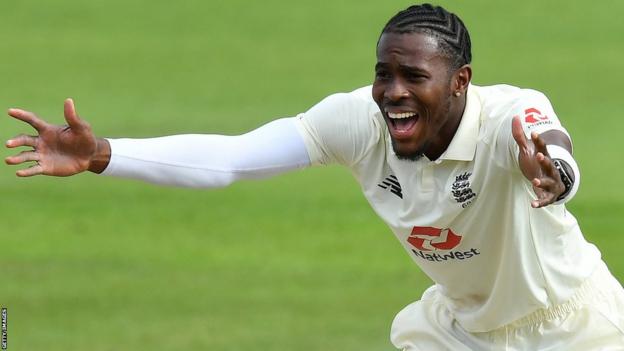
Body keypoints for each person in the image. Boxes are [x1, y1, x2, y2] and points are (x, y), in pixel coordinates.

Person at [5, 3, 624, 350]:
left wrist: (554, 175)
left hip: (573, 328)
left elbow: (554, 149)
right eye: (385, 73)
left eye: (415, 76)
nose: (393, 92)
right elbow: (231, 159)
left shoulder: (511, 115)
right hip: (462, 332)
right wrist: (104, 153)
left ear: (460, 81)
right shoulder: (357, 120)